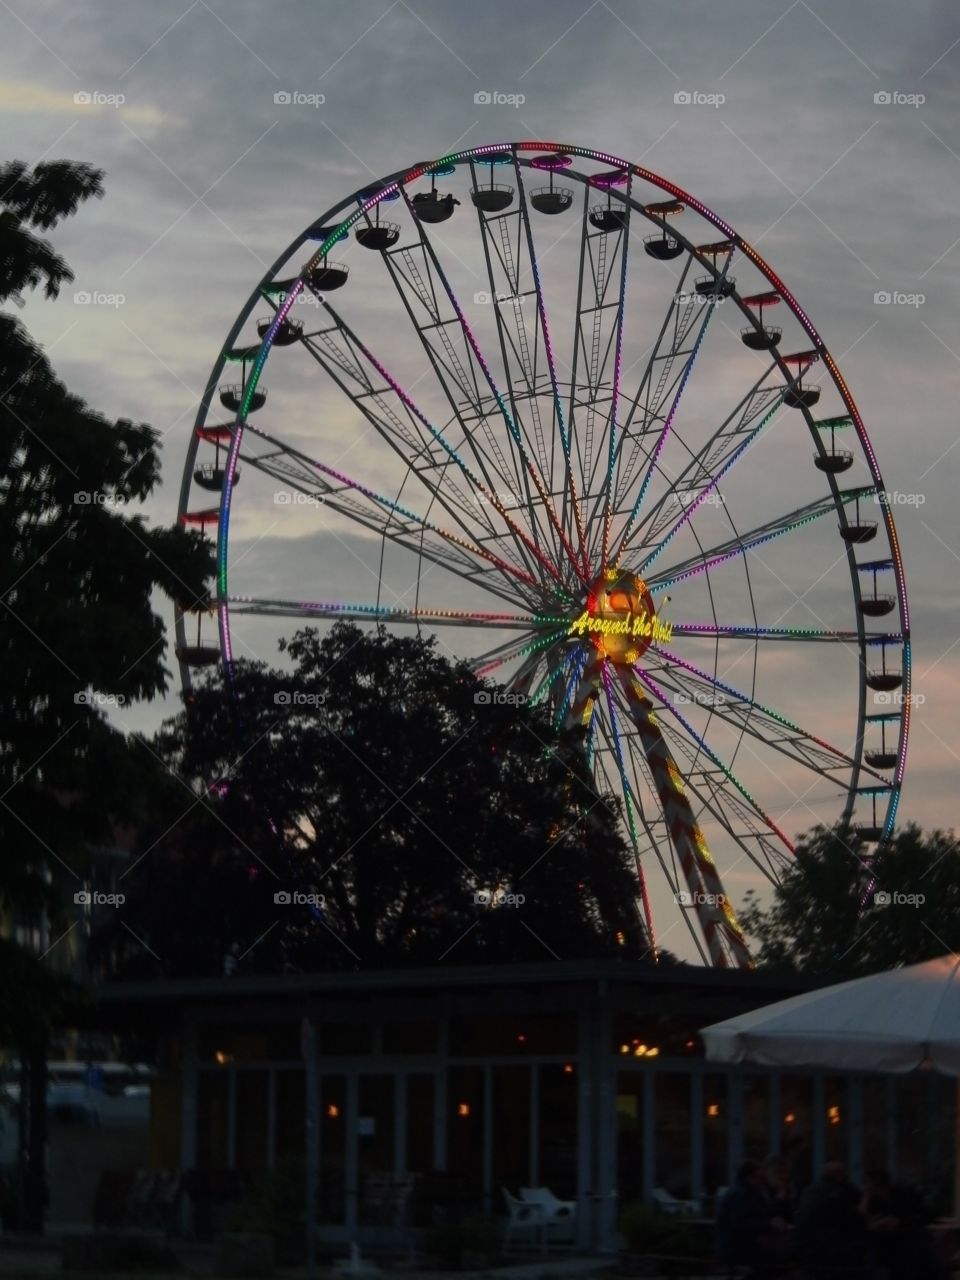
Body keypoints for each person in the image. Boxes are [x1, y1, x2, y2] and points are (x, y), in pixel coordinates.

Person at [795, 1162, 873, 1278]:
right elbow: (858, 1220)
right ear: (840, 1175)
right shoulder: (836, 1193)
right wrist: (867, 1195)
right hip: (831, 1252)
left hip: (807, 1251)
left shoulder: (809, 1190)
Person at [716, 1159, 792, 1273]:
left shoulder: (743, 1192)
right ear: (750, 1177)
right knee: (780, 1259)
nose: (761, 1181)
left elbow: (760, 1214)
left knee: (780, 1256)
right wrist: (769, 1224)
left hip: (736, 1246)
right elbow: (740, 1224)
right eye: (759, 1177)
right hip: (736, 1250)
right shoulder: (740, 1194)